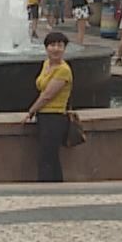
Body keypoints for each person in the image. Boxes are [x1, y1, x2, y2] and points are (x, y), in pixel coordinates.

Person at [24, 30, 75, 183]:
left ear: (64, 48)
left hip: (55, 117)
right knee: (49, 157)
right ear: (46, 48)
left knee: (47, 158)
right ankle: (55, 188)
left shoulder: (63, 70)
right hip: (44, 117)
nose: (56, 49)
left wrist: (31, 111)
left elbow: (47, 95)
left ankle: (47, 190)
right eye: (52, 45)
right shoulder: (46, 64)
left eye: (60, 45)